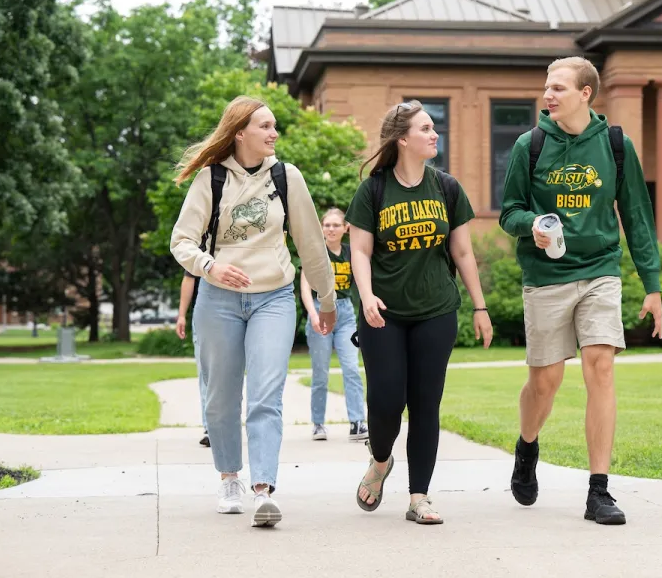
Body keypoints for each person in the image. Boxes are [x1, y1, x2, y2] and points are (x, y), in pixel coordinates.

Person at [499, 56, 662, 525]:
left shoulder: (615, 145)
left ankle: (599, 491)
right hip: (546, 275)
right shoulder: (529, 144)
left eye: (558, 88)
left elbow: (636, 215)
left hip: (600, 270)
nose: (547, 95)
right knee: (545, 382)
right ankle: (527, 445)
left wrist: (651, 285)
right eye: (546, 87)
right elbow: (509, 211)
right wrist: (533, 224)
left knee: (601, 367)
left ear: (585, 93)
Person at [170, 95, 337, 528]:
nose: (274, 133)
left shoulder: (286, 177)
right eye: (265, 126)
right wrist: (210, 266)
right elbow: (181, 241)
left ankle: (263, 488)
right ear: (240, 132)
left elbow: (311, 244)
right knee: (220, 398)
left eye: (274, 125)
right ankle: (229, 478)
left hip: (273, 298)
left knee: (266, 394)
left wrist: (327, 299)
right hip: (218, 300)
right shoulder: (210, 179)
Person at [345, 100, 493, 525]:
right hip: (383, 312)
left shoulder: (446, 187)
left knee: (426, 404)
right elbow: (360, 251)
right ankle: (380, 460)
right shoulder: (373, 190)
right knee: (386, 400)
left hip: (436, 309)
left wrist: (480, 306)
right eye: (426, 128)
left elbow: (462, 252)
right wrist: (366, 296)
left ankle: (419, 497)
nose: (434, 134)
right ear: (402, 139)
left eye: (434, 127)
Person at [300, 208, 368, 442]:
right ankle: (318, 424)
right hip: (320, 311)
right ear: (321, 228)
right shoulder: (316, 252)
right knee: (320, 373)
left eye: (336, 225)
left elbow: (363, 281)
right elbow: (305, 286)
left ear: (346, 228)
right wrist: (312, 314)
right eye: (327, 225)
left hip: (345, 313)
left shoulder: (351, 252)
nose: (331, 229)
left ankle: (357, 422)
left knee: (351, 368)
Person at [175, 271, 210, 447]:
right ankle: (211, 428)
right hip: (204, 315)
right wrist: (182, 315)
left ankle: (226, 425)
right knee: (205, 373)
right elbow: (189, 277)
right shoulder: (201, 254)